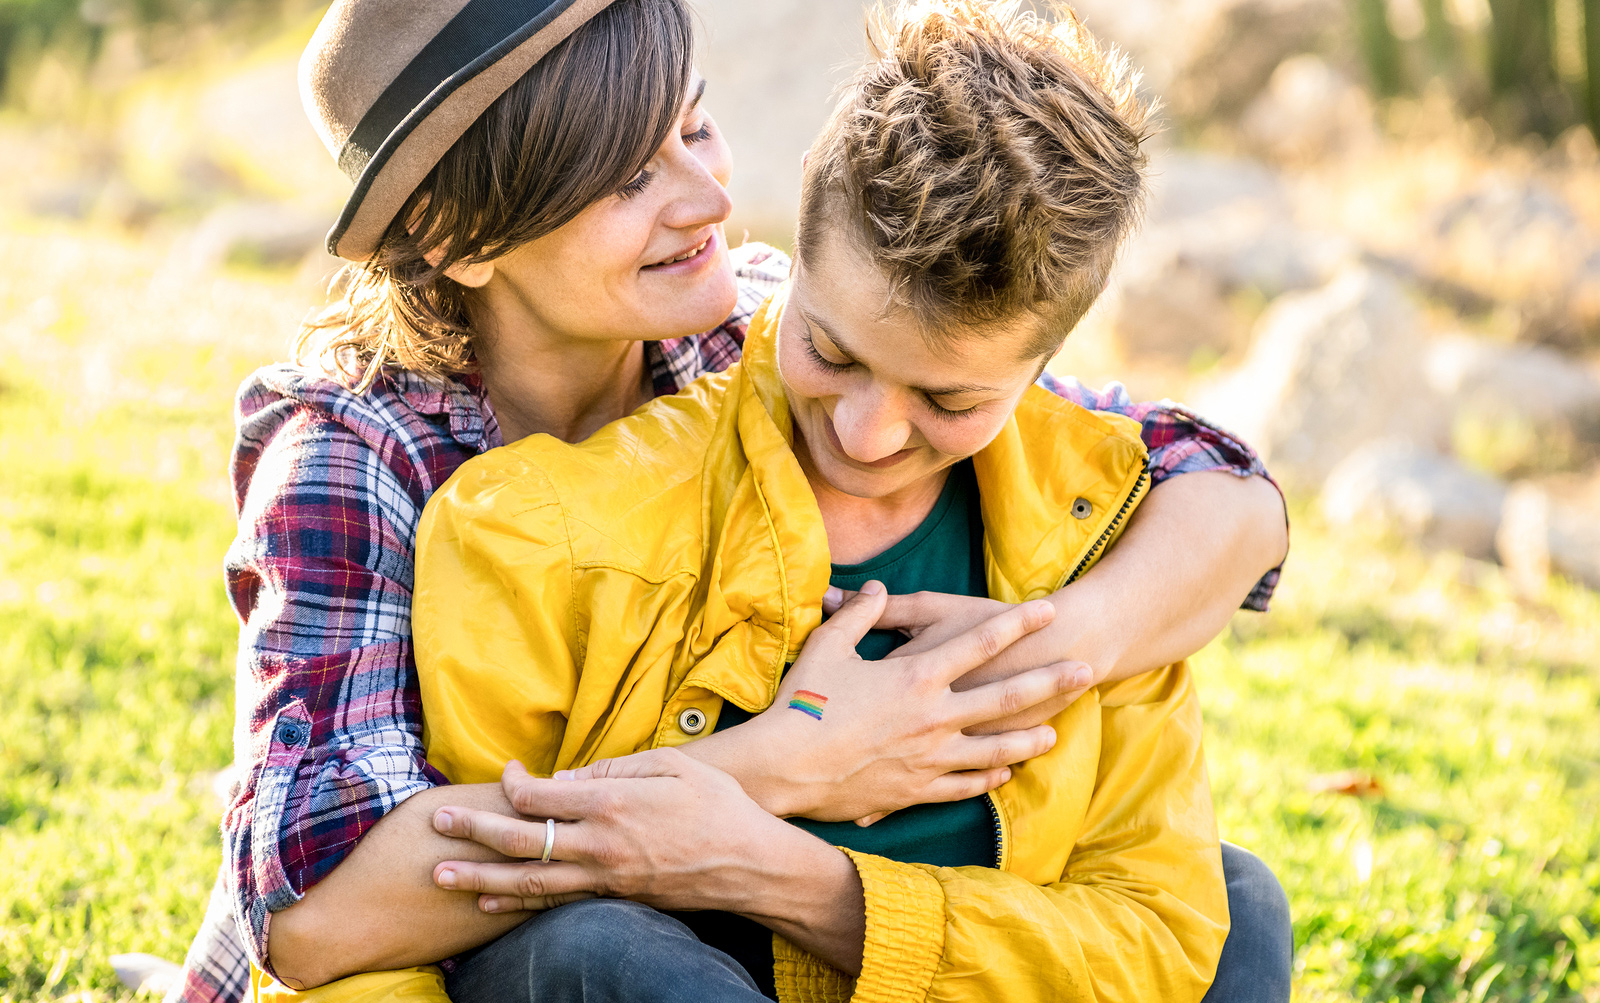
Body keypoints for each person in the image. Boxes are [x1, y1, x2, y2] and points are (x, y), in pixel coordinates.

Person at [167, 0, 1290, 1000]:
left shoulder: (752, 324)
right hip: (491, 951)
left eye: (696, 129)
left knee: (1227, 899)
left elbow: (1213, 492)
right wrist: (781, 762)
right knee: (600, 949)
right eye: (626, 179)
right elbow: (314, 918)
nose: (710, 199)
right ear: (462, 238)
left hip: (742, 927)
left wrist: (1045, 648)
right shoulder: (354, 454)